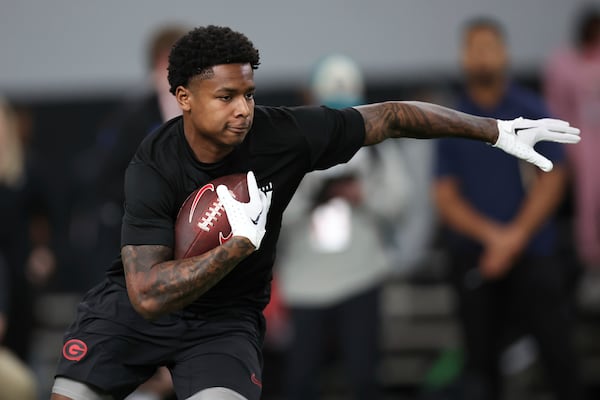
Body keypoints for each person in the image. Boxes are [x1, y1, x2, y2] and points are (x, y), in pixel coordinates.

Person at [50, 25, 580, 400]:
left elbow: (392, 117)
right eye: (226, 96)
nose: (243, 109)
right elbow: (145, 295)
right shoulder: (152, 164)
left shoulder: (283, 135)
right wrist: (237, 246)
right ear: (184, 98)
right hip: (138, 308)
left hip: (222, 319)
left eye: (250, 94)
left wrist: (495, 131)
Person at [433, 18, 584, 399]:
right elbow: (446, 197)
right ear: (463, 57)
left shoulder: (532, 111)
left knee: (559, 356)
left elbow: (554, 178)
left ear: (505, 54)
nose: (482, 56)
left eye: (489, 47)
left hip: (534, 253)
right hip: (476, 258)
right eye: (474, 48)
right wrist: (493, 238)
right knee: (481, 368)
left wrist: (513, 238)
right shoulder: (451, 121)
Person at [277, 54, 409, 400]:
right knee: (300, 384)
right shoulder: (290, 147)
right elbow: (270, 216)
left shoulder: (378, 143)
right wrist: (311, 195)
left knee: (364, 379)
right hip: (306, 285)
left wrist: (362, 195)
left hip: (362, 277)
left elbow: (400, 204)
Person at [544, 5, 600, 268]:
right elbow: (557, 104)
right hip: (582, 135)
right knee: (587, 194)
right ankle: (589, 252)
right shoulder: (564, 62)